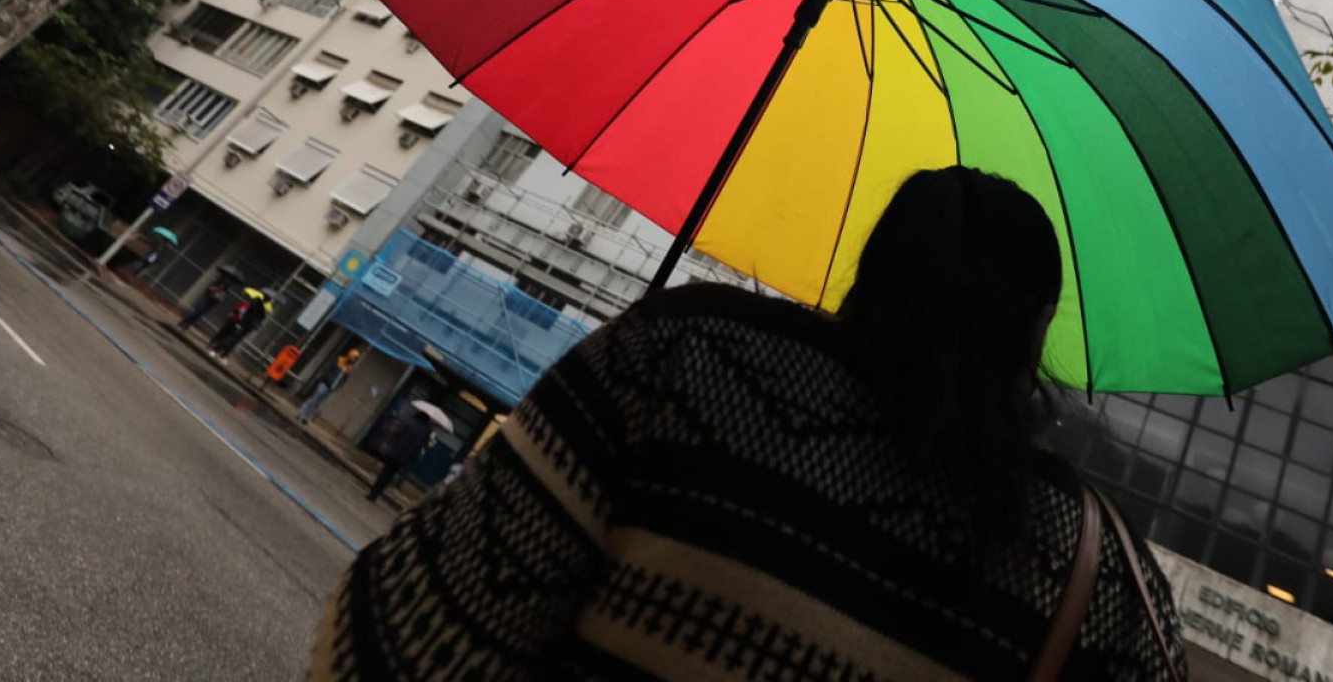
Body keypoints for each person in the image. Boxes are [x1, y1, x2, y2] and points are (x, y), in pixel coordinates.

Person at [309, 166, 1188, 681]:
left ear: (871, 268)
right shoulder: (1107, 583)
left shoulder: (685, 358)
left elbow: (397, 642)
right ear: (1035, 330)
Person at [364, 409, 433, 504]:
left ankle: (373, 493)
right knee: (390, 475)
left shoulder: (410, 423)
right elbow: (423, 445)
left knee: (385, 472)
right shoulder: (426, 431)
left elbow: (396, 433)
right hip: (405, 457)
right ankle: (378, 492)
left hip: (395, 452)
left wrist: (387, 442)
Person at [296, 347, 363, 424]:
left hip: (332, 388)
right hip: (325, 383)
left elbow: (344, 380)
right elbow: (328, 370)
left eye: (355, 359)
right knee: (314, 398)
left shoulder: (349, 369)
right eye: (354, 358)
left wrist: (337, 387)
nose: (354, 361)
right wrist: (330, 380)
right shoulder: (339, 360)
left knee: (318, 402)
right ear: (350, 356)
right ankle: (301, 412)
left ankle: (306, 417)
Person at [209, 294, 267, 361]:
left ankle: (223, 354)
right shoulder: (256, 304)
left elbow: (260, 316)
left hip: (246, 327)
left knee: (234, 341)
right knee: (230, 338)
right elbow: (247, 314)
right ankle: (216, 349)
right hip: (242, 324)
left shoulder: (260, 308)